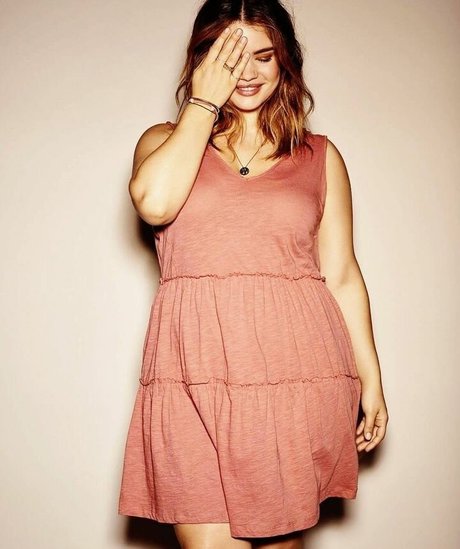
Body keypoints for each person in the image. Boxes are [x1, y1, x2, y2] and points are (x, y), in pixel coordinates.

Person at [118, 1, 389, 548]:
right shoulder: (163, 141)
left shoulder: (319, 156)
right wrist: (203, 102)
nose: (247, 72)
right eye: (230, 56)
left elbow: (341, 274)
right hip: (191, 374)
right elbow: (154, 203)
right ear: (203, 59)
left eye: (263, 56)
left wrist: (372, 379)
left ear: (285, 60)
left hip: (294, 374)